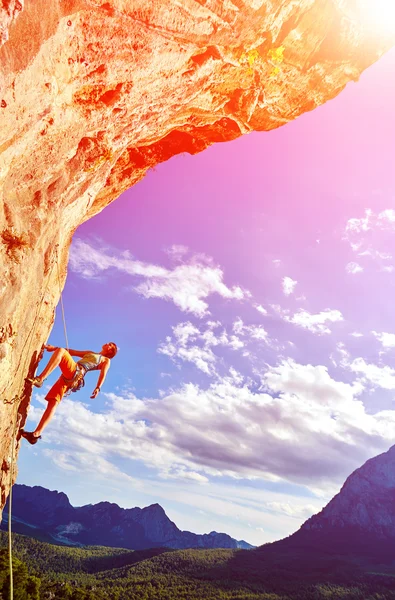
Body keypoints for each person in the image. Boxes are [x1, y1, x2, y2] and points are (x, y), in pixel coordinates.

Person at [20, 342, 118, 445]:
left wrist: (98, 387)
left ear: (110, 351)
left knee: (62, 351)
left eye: (110, 345)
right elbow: (72, 352)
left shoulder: (106, 360)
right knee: (53, 403)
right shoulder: (90, 353)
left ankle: (40, 379)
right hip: (69, 377)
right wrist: (53, 348)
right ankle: (35, 435)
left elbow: (103, 373)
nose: (107, 343)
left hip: (76, 373)